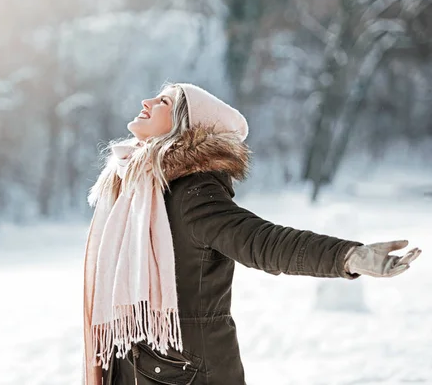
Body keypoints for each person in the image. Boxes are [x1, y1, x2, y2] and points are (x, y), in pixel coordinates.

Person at [82, 82, 422, 385]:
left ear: (185, 128)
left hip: (182, 373)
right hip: (132, 366)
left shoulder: (193, 195)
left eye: (165, 102)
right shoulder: (136, 192)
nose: (147, 101)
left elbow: (263, 241)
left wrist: (348, 256)